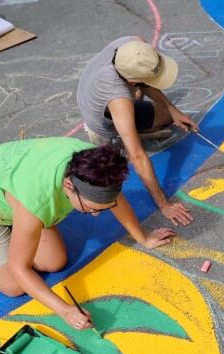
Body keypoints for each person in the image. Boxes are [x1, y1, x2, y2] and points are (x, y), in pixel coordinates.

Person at [0, 137, 174, 330]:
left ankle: (17, 229)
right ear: (68, 186)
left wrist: (143, 238)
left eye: (101, 209)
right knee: (14, 286)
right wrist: (65, 310)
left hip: (13, 197)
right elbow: (19, 268)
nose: (96, 214)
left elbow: (114, 198)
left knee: (54, 262)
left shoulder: (95, 166)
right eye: (90, 209)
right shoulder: (36, 201)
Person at [77, 35, 198, 227]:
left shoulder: (133, 45)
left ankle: (129, 129)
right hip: (100, 121)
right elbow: (137, 157)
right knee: (123, 148)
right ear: (132, 82)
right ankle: (117, 132)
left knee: (165, 116)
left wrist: (174, 112)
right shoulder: (118, 98)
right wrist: (164, 204)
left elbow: (143, 81)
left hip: (95, 92)